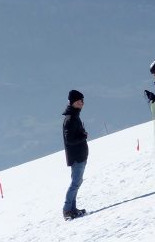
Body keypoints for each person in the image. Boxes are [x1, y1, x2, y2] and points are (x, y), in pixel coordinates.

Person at [62, 89, 88, 221]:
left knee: (77, 182)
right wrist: (83, 137)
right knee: (75, 183)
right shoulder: (70, 118)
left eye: (82, 101)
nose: (82, 103)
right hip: (77, 156)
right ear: (72, 102)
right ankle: (67, 210)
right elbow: (69, 140)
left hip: (80, 155)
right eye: (79, 101)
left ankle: (72, 209)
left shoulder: (74, 116)